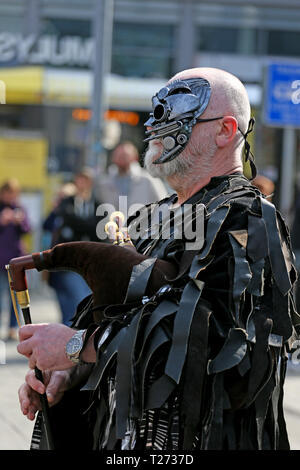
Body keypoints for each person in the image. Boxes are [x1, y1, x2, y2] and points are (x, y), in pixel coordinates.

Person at [17, 67, 299, 450]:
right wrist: (71, 372)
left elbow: (227, 352)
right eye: (158, 108)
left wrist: (76, 345)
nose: (158, 123)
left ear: (225, 130)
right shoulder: (154, 217)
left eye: (181, 107)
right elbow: (124, 317)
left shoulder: (249, 219)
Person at [42, 169, 101, 326]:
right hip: (65, 262)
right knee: (69, 303)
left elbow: (96, 228)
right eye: (79, 179)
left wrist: (79, 223)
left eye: (85, 180)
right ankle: (69, 335)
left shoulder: (97, 203)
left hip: (87, 261)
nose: (82, 183)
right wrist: (84, 223)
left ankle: (76, 334)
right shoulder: (67, 202)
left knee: (82, 298)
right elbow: (58, 220)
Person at [96, 140, 168, 216]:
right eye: (118, 155)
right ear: (113, 158)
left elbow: (164, 205)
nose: (121, 159)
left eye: (125, 155)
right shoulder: (104, 183)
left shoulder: (148, 180)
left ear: (135, 157)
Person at [0, 179, 31, 340]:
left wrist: (20, 222)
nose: (10, 196)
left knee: (15, 296)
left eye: (13, 193)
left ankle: (13, 327)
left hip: (15, 260)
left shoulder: (20, 209)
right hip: (0, 259)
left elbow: (27, 229)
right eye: (7, 192)